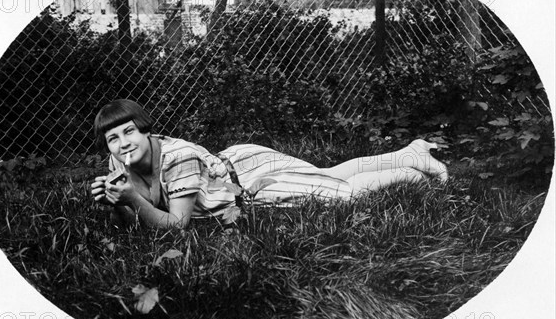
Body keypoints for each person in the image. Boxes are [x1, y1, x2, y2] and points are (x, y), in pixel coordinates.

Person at [91, 99, 448, 230]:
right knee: (326, 174)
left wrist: (130, 200)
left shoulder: (178, 157)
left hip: (249, 182)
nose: (123, 143)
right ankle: (409, 154)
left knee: (340, 195)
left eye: (129, 132)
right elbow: (131, 219)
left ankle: (408, 172)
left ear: (146, 130)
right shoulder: (119, 159)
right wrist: (113, 201)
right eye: (113, 138)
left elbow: (177, 224)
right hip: (235, 167)